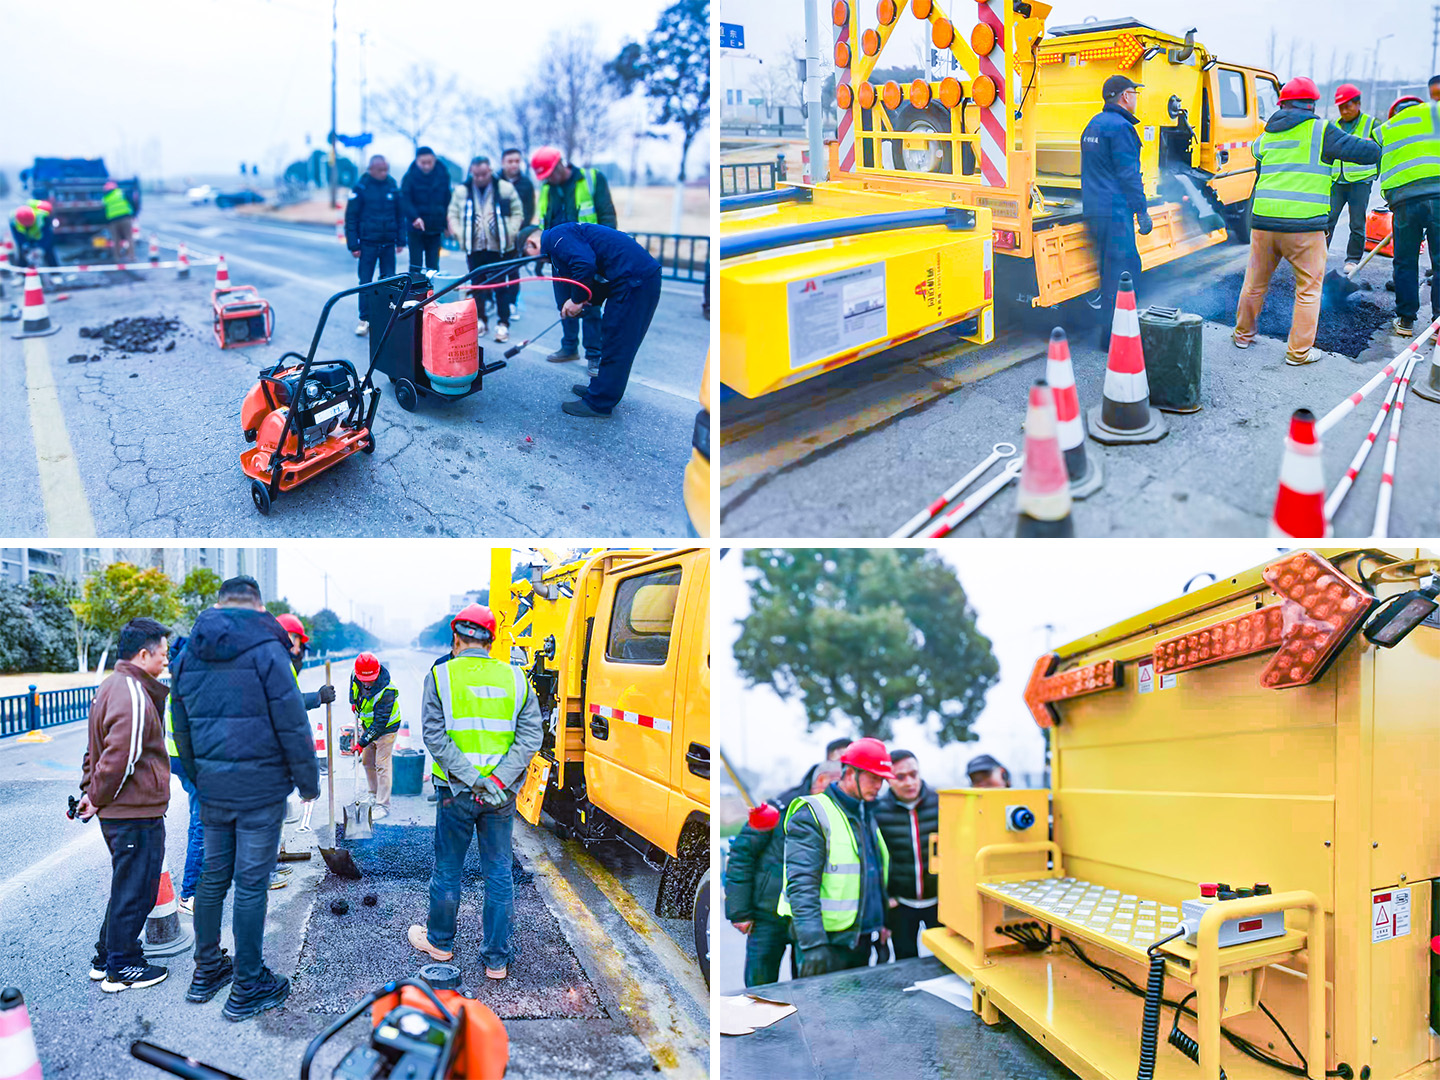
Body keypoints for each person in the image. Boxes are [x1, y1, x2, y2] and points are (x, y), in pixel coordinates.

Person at [169, 575, 319, 1021]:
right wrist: (308, 782)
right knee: (251, 885)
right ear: (257, 606)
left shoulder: (187, 654)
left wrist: (200, 777)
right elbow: (292, 724)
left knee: (213, 878)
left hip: (212, 789)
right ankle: (248, 984)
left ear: (219, 605)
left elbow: (181, 727)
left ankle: (206, 971)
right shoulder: (268, 651)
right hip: (260, 790)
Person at [408, 604, 542, 980]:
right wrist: (497, 781)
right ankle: (497, 960)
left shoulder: (440, 676)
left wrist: (471, 778)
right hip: (500, 795)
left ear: (456, 638)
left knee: (448, 868)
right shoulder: (516, 678)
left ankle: (440, 943)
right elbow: (531, 735)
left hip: (456, 792)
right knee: (498, 871)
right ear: (491, 641)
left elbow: (434, 735)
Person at [1233, 76, 1382, 365]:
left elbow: (1259, 163)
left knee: (1254, 283)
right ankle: (1298, 353)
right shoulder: (1321, 131)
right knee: (1308, 290)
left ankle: (1242, 335)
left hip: (1263, 223)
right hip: (1304, 226)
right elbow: (1369, 153)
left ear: (1282, 105)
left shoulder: (1266, 136)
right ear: (1312, 105)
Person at [79, 618, 173, 993]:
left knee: (126, 886)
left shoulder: (110, 686)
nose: (166, 660)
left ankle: (107, 957)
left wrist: (89, 793)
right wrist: (95, 796)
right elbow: (121, 756)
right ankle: (123, 966)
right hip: (134, 812)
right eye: (163, 653)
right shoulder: (132, 690)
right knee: (138, 891)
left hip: (123, 812)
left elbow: (94, 750)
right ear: (144, 654)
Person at [518, 221, 662, 418]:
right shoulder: (560, 237)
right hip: (629, 278)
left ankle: (599, 403)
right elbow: (594, 266)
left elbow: (584, 264)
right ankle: (600, 388)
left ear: (531, 243)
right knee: (610, 338)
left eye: (526, 253)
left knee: (618, 342)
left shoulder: (556, 238)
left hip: (636, 281)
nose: (535, 261)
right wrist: (586, 300)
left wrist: (576, 300)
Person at [778, 737, 893, 978]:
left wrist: (881, 922)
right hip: (826, 942)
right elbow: (801, 884)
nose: (879, 786)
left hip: (859, 938)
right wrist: (813, 944)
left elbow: (871, 872)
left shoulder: (864, 812)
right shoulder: (813, 812)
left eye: (882, 779)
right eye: (873, 778)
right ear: (850, 774)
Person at [726, 761, 842, 986]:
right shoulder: (778, 808)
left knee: (808, 988)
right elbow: (742, 855)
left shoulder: (837, 814)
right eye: (837, 783)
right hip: (767, 916)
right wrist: (739, 912)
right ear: (821, 780)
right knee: (760, 989)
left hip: (808, 919)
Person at [1080, 75, 1152, 349]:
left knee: (1107, 275)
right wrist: (1141, 211)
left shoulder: (1093, 124)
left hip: (1095, 210)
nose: (1136, 98)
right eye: (1135, 93)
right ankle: (1116, 339)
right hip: (1115, 213)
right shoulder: (1122, 128)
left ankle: (1109, 336)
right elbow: (1128, 175)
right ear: (1125, 96)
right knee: (1125, 273)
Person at [530, 147, 617, 374]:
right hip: (559, 256)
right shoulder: (547, 188)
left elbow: (607, 215)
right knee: (564, 304)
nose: (548, 179)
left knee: (589, 304)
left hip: (589, 255)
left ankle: (594, 355)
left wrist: (604, 253)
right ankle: (569, 347)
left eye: (550, 173)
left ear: (560, 164)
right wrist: (542, 254)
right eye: (544, 176)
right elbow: (544, 222)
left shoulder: (591, 179)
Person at [274, 613, 334, 889]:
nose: (299, 648)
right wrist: (317, 698)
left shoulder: (280, 662)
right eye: (296, 640)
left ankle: (272, 858)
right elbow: (286, 703)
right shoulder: (274, 663)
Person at [1377, 95, 1440, 337]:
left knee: (1405, 260)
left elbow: (1373, 158)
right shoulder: (1434, 116)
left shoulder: (1388, 127)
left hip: (1405, 200)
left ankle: (1405, 321)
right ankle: (1438, 325)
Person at [446, 156, 523, 343]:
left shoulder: (504, 188)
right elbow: (453, 214)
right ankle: (480, 320)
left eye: (484, 174)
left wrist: (511, 232)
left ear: (490, 171)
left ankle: (503, 323)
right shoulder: (462, 191)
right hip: (474, 247)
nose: (480, 178)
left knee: (500, 286)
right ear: (471, 173)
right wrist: (459, 234)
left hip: (499, 247)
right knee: (477, 286)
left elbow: (518, 212)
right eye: (476, 175)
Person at [874, 751, 940, 961]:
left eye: (913, 774)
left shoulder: (941, 803)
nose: (909, 782)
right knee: (905, 961)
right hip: (900, 905)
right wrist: (886, 898)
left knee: (948, 963)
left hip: (940, 903)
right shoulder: (877, 810)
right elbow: (875, 859)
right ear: (888, 779)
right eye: (900, 777)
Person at [161, 635, 204, 917]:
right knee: (203, 824)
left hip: (178, 758)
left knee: (199, 820)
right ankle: (190, 894)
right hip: (193, 761)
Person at [345, 155, 405, 337]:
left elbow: (400, 215)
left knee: (389, 283)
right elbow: (351, 218)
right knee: (365, 283)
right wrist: (353, 244)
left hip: (388, 244)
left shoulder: (392, 186)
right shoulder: (360, 188)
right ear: (371, 169)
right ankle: (364, 320)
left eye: (386, 169)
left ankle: (386, 319)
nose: (384, 173)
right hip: (367, 244)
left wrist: (401, 240)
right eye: (380, 170)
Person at [1326, 85, 1381, 272]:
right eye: (1340, 107)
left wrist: (1376, 174)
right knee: (1328, 219)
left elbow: (1381, 151)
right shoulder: (1333, 124)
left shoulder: (1371, 124)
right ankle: (1320, 253)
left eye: (1347, 106)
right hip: (1337, 180)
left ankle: (1352, 259)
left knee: (1357, 222)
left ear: (1358, 104)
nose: (1344, 110)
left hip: (1360, 182)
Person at [350, 651, 401, 820]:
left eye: (370, 678)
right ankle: (373, 794)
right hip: (368, 725)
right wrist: (353, 703)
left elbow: (379, 724)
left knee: (382, 765)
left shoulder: (387, 691)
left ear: (377, 672)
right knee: (367, 762)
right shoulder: (355, 675)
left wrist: (362, 742)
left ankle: (383, 805)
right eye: (363, 679)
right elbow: (353, 690)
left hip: (386, 729)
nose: (367, 682)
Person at [400, 146, 452, 276]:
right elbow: (405, 200)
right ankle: (415, 287)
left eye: (429, 162)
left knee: (433, 266)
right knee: (415, 265)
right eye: (423, 163)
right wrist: (414, 217)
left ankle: (432, 288)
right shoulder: (409, 177)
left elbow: (447, 199)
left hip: (435, 227)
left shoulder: (443, 175)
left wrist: (447, 223)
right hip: (415, 228)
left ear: (434, 160)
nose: (427, 166)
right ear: (417, 161)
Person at [499, 148, 536, 319]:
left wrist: (521, 233)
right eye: (510, 161)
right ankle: (499, 304)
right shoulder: (494, 181)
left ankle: (511, 303)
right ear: (503, 162)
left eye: (517, 161)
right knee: (496, 271)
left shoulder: (526, 184)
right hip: (496, 236)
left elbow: (529, 211)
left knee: (513, 272)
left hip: (517, 236)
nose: (514, 164)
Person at [10, 201, 58, 267]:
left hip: (40, 237)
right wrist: (26, 246)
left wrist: (41, 248)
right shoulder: (13, 220)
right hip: (26, 237)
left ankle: (54, 271)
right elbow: (18, 237)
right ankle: (22, 270)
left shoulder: (42, 217)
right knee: (22, 255)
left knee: (49, 253)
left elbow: (48, 236)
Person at [102, 180, 136, 262]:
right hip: (125, 218)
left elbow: (103, 210)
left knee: (116, 239)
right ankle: (131, 256)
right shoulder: (121, 193)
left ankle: (117, 257)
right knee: (129, 237)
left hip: (113, 221)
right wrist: (133, 214)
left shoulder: (105, 198)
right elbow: (131, 202)